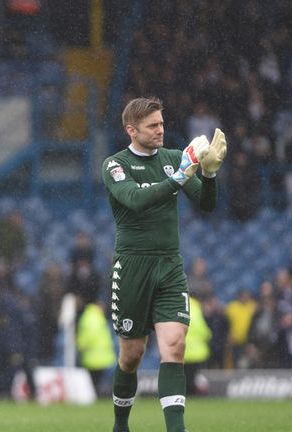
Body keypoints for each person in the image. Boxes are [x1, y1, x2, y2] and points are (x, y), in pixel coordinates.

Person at [101, 97, 226, 432]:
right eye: (152, 126)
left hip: (169, 266)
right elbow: (135, 200)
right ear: (132, 130)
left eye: (161, 123)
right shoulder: (116, 164)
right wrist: (183, 174)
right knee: (131, 356)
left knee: (175, 345)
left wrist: (209, 175)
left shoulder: (173, 159)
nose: (160, 130)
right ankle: (120, 425)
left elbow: (206, 204)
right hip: (132, 268)